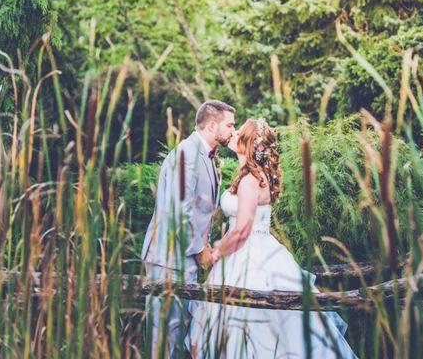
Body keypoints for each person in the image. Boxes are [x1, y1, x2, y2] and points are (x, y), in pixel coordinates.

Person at [187, 118, 358, 358]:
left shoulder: (249, 181)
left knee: (245, 325)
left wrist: (215, 253)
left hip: (247, 257)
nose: (233, 133)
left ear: (248, 143)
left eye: (239, 132)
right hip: (264, 250)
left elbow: (242, 230)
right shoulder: (259, 177)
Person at [141, 100, 235, 358]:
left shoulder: (206, 156)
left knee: (181, 339)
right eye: (230, 125)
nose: (233, 131)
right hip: (169, 261)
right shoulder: (187, 154)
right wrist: (200, 251)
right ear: (212, 124)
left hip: (184, 262)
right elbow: (180, 211)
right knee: (164, 342)